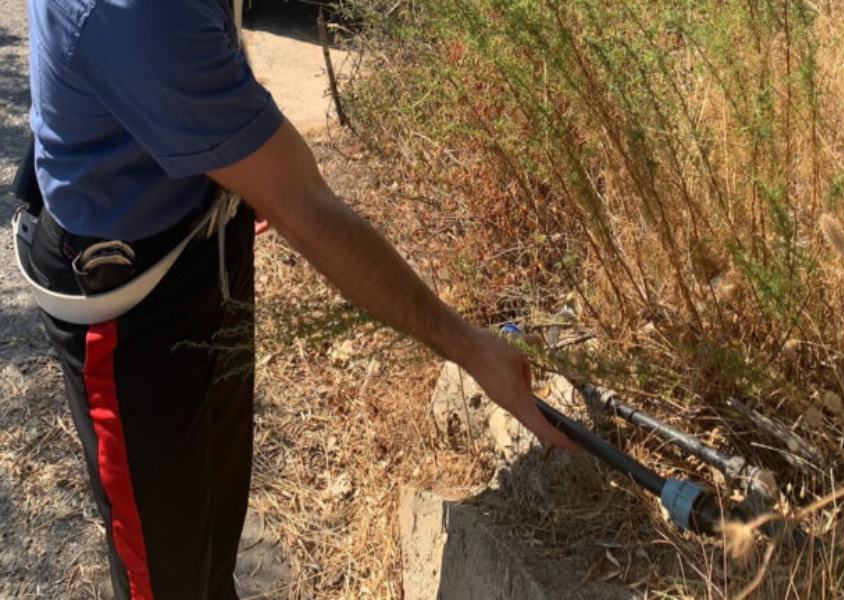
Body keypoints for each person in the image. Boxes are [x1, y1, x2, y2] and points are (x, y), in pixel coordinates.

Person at [22, 0, 573, 598]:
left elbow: (222, 50)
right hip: (127, 308)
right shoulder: (133, 15)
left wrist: (233, 136)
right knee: (166, 572)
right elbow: (304, 204)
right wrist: (470, 349)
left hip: (203, 232)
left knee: (212, 523)